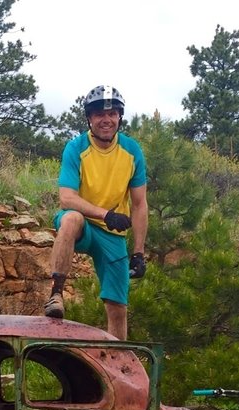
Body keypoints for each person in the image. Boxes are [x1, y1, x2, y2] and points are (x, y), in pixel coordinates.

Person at [44, 84, 148, 340]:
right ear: (89, 118)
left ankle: (117, 363)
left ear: (120, 117)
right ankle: (56, 294)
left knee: (118, 307)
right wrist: (105, 214)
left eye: (112, 114)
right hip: (86, 225)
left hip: (112, 235)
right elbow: (66, 197)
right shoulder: (76, 147)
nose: (107, 120)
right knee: (70, 218)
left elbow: (139, 204)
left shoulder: (132, 151)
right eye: (100, 114)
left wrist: (138, 252)